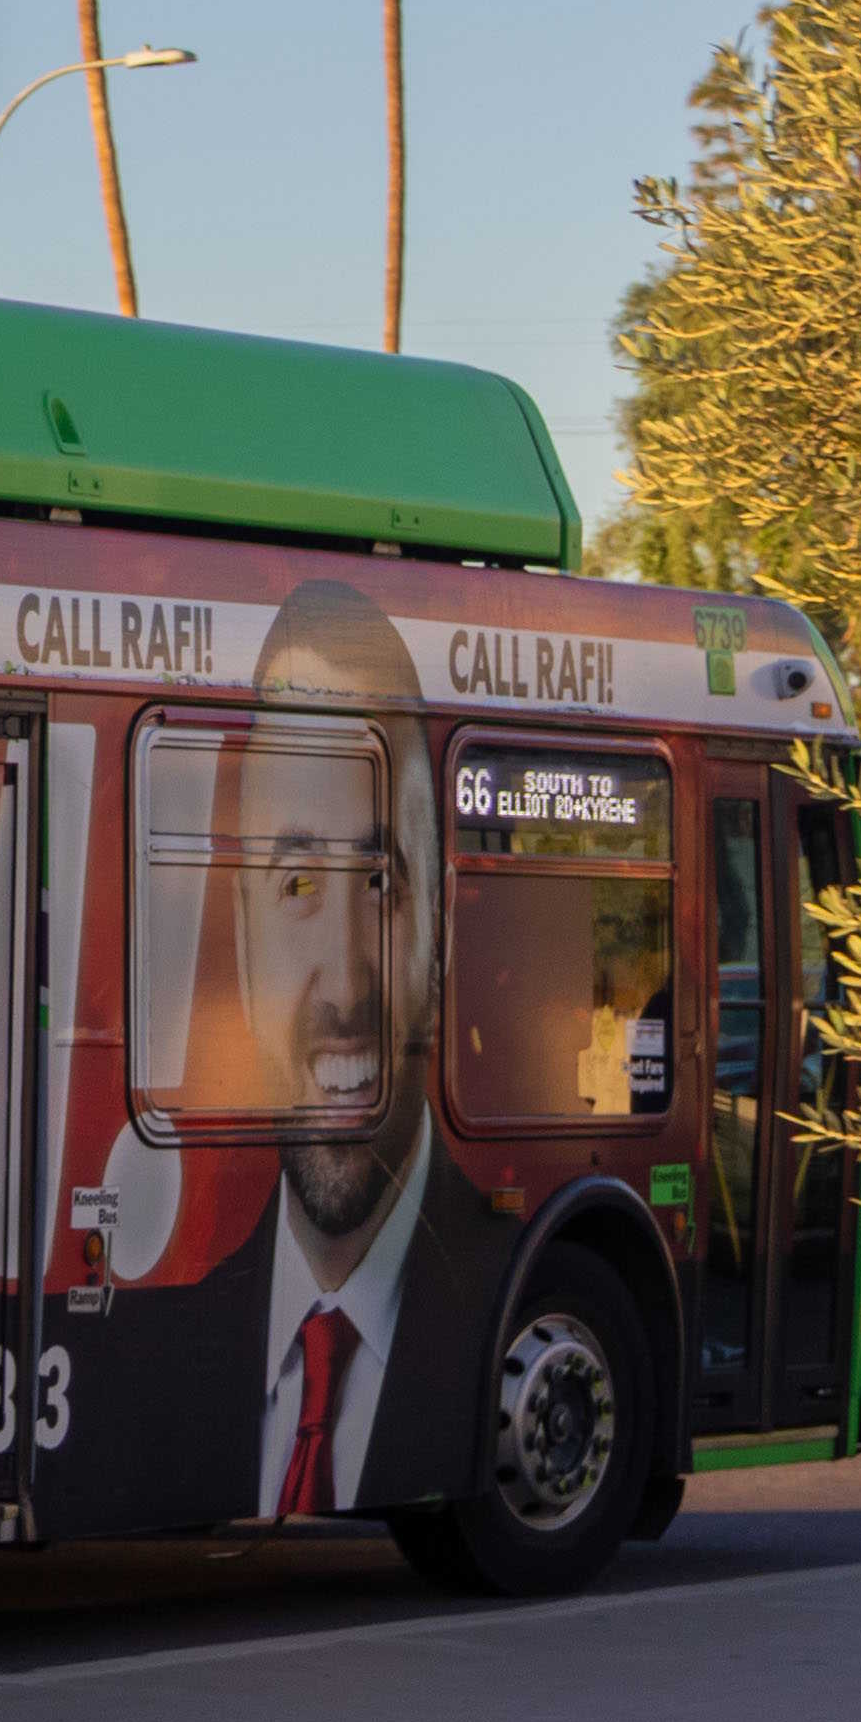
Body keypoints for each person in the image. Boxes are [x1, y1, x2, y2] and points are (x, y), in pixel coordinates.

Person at [97, 582, 510, 1524]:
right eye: (291, 883)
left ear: (440, 927)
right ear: (241, 951)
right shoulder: (165, 1350)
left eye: (379, 883)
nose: (342, 985)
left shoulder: (486, 1288)